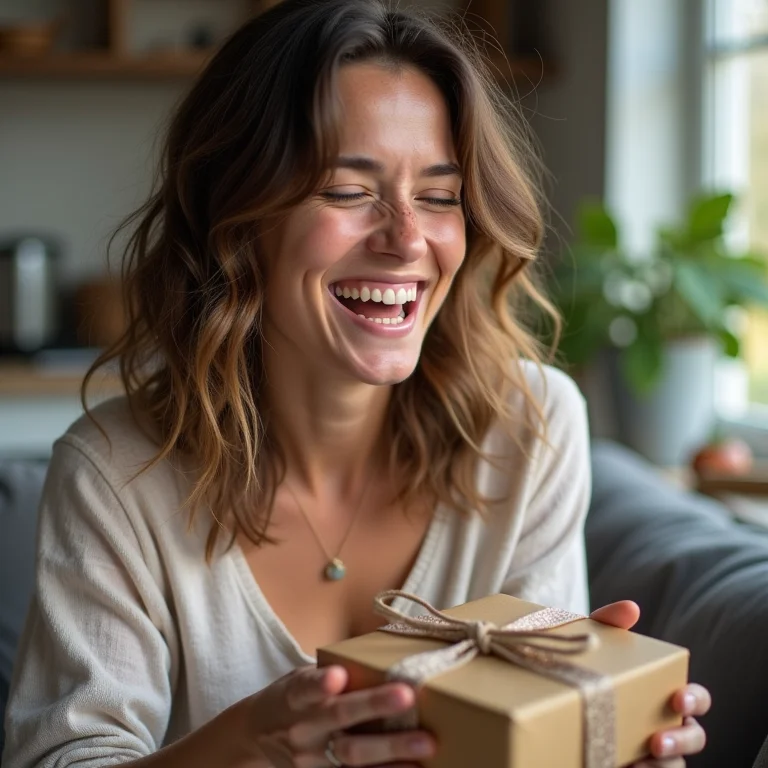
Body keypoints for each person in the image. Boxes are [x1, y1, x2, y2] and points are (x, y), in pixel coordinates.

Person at [2, 1, 710, 766]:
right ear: (235, 219)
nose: (406, 238)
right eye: (348, 191)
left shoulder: (530, 427)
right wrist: (245, 745)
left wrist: (599, 741)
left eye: (440, 196)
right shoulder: (114, 475)